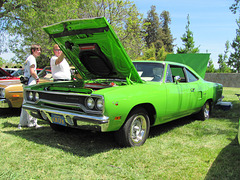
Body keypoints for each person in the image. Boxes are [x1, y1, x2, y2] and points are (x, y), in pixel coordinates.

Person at [18, 44, 42, 129]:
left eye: (40, 50)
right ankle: (32, 123)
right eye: (38, 50)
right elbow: (32, 72)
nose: (39, 52)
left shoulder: (28, 58)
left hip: (26, 82)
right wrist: (37, 77)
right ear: (33, 50)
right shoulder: (32, 59)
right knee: (32, 102)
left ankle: (23, 122)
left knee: (25, 102)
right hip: (31, 82)